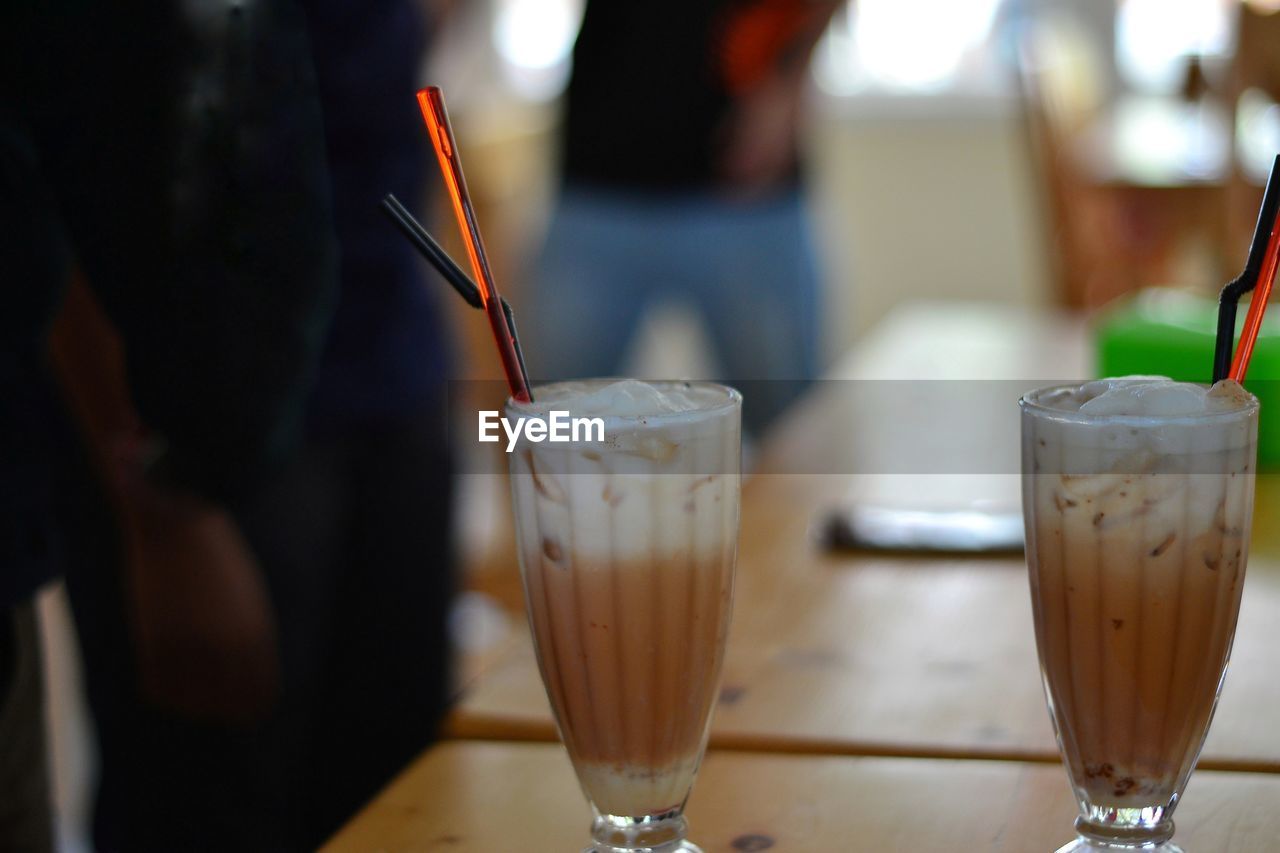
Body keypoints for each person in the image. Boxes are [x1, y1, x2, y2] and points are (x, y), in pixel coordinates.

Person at [2, 0, 454, 848]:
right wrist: (163, 503)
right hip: (194, 434)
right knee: (209, 805)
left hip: (390, 368)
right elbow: (41, 164)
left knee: (394, 795)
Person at [525, 0, 842, 437]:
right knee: (551, 434)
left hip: (750, 195)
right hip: (597, 188)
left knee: (790, 440)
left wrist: (787, 81)